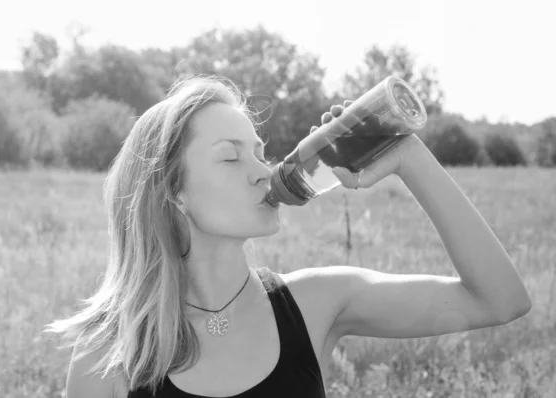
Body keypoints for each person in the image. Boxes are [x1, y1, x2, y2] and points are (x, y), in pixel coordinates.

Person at [45, 74, 532, 398]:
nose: (262, 172)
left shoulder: (316, 302)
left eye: (260, 153)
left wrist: (408, 156)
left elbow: (499, 300)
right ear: (173, 190)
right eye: (231, 156)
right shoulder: (106, 356)